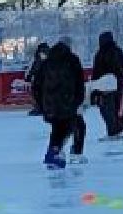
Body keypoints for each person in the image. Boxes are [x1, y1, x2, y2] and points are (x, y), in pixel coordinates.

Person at [38, 39, 88, 170]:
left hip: (50, 105)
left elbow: (37, 84)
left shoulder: (47, 62)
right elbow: (79, 83)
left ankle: (54, 152)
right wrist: (78, 101)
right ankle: (59, 152)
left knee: (58, 128)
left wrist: (41, 105)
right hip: (67, 103)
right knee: (70, 126)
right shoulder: (72, 60)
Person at [92, 31, 123, 139]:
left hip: (106, 86)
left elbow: (96, 71)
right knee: (119, 108)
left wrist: (95, 88)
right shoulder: (119, 51)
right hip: (119, 84)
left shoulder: (101, 53)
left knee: (107, 110)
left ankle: (114, 132)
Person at [24, 42, 51, 117]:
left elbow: (37, 65)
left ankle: (40, 109)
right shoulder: (51, 55)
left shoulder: (41, 54)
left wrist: (29, 75)